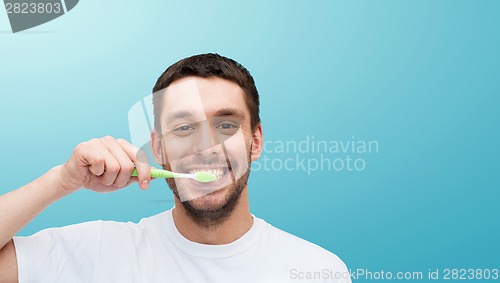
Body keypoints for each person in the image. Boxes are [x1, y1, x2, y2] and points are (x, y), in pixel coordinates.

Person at [0, 53, 350, 283]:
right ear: (158, 148)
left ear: (255, 142)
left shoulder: (318, 271)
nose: (205, 146)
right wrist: (60, 181)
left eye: (226, 125)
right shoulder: (96, 253)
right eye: (184, 128)